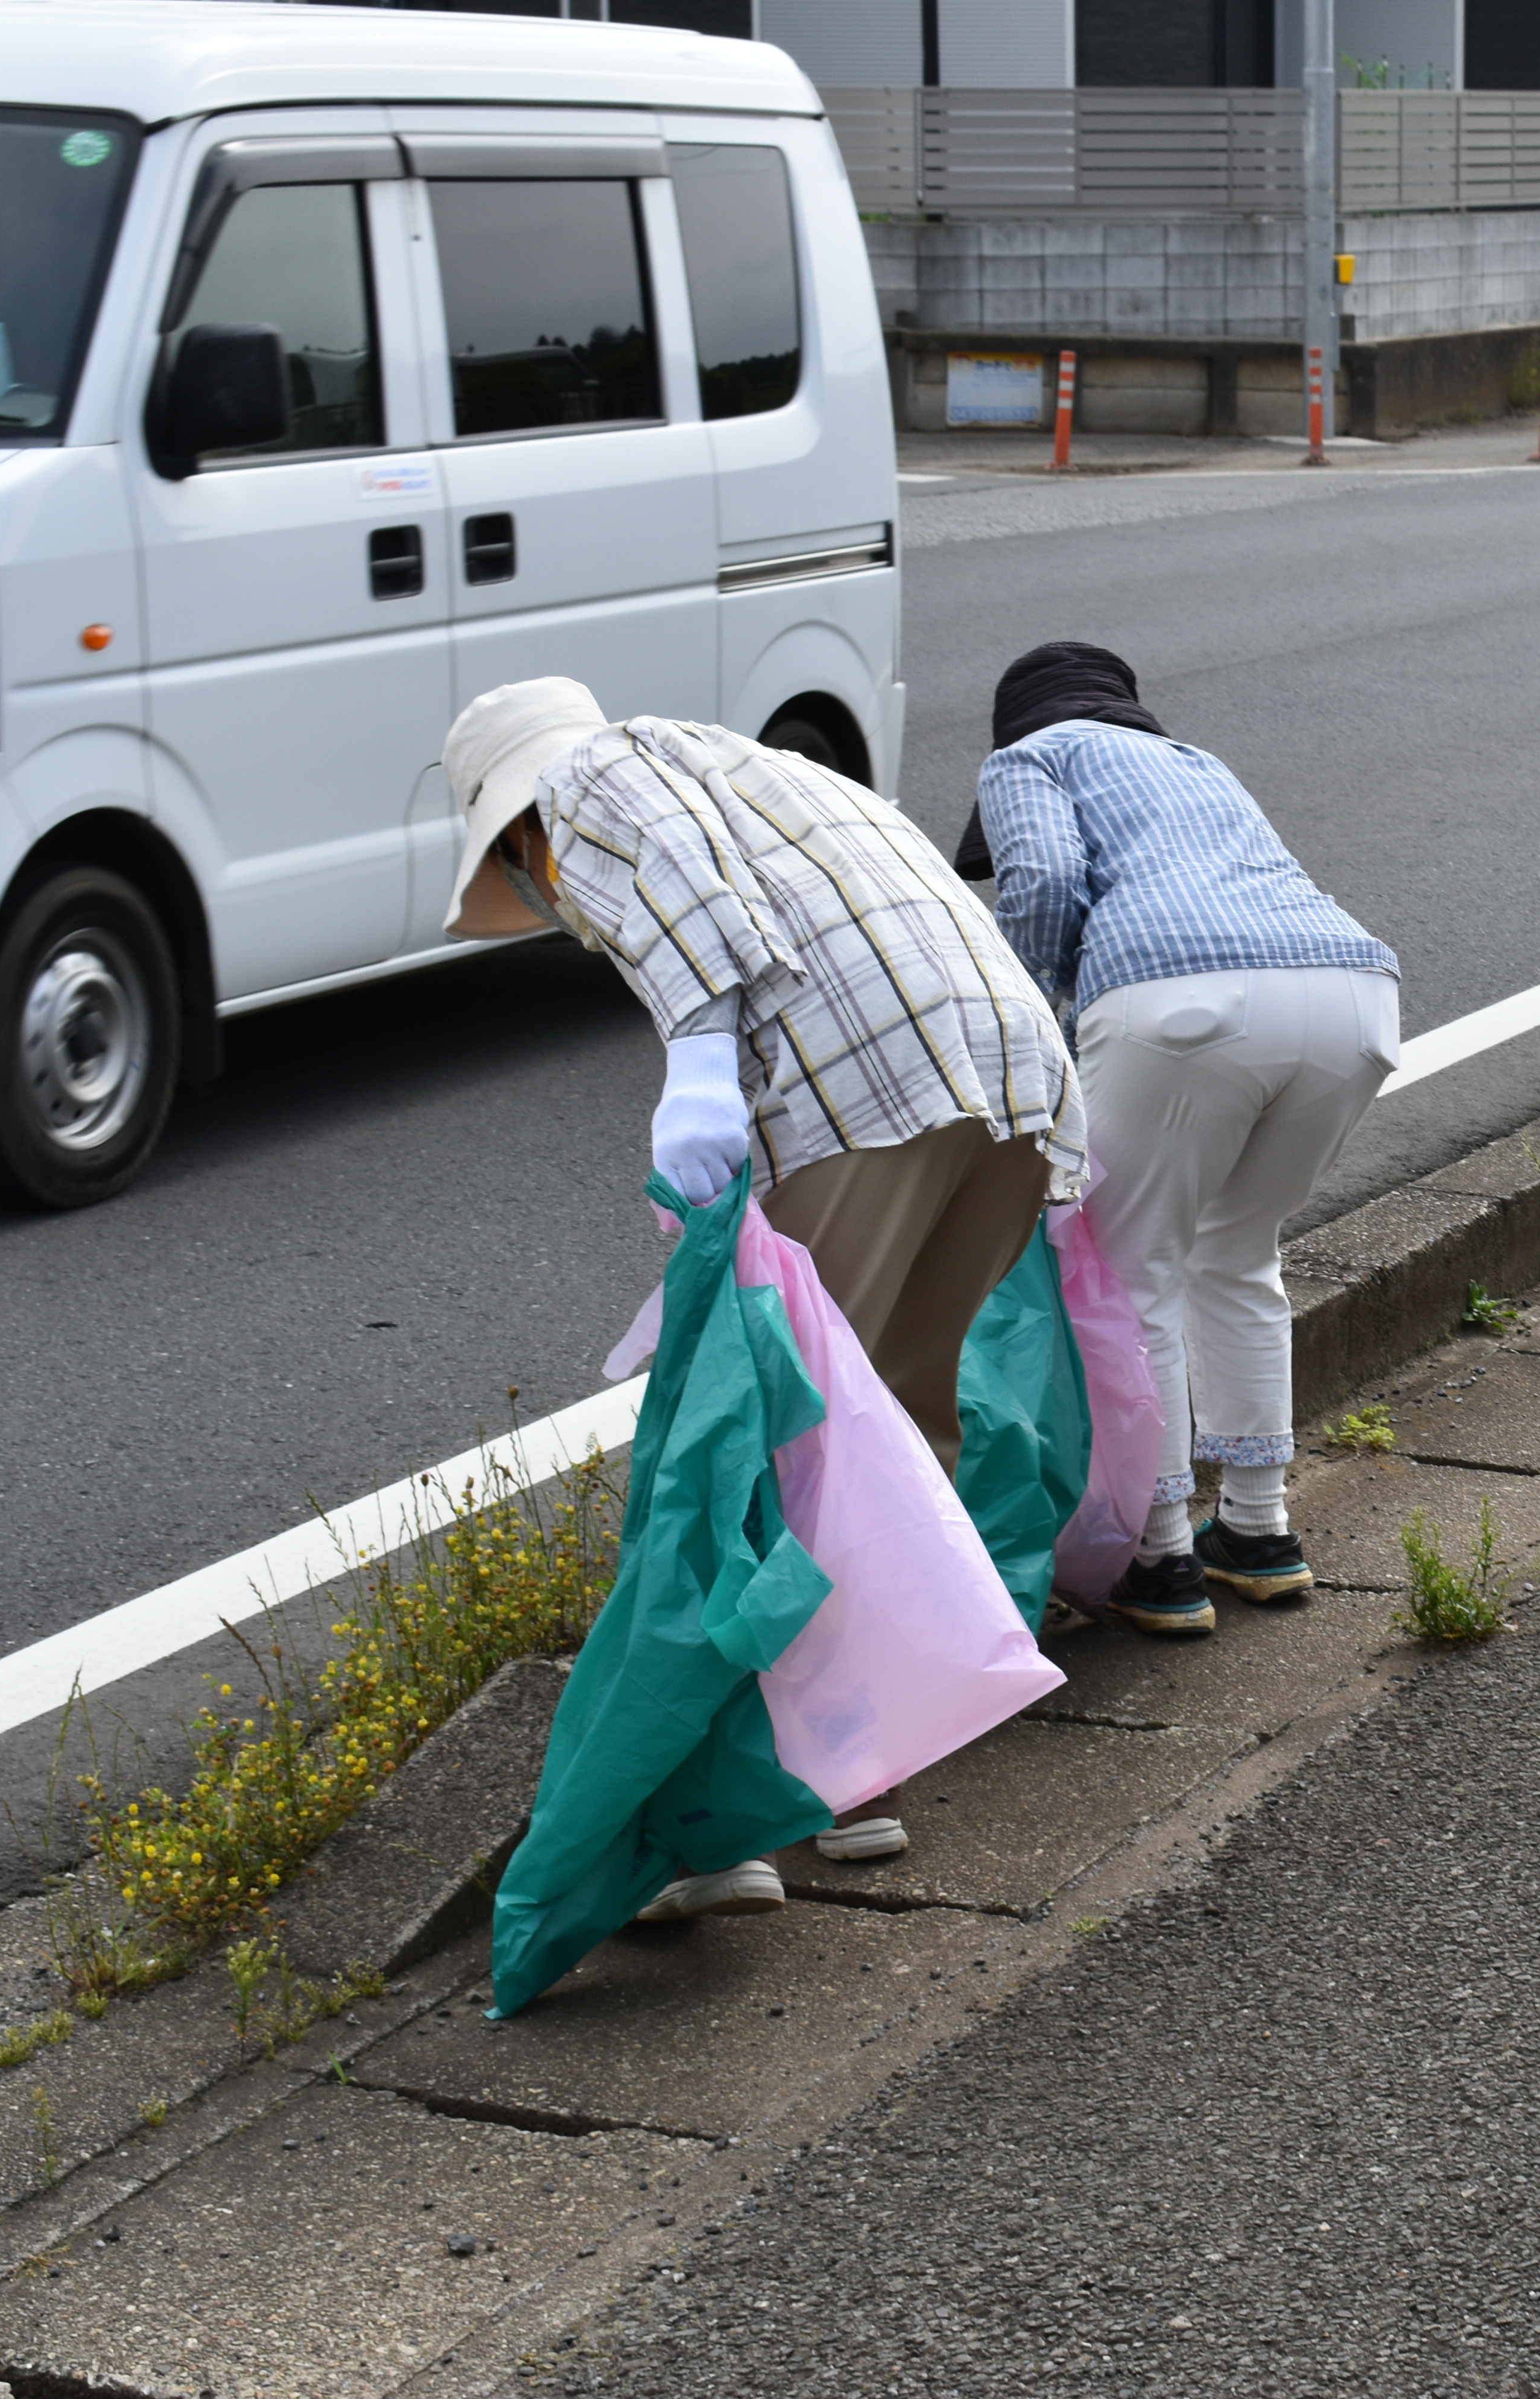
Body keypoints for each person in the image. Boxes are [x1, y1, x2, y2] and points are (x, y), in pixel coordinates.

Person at [441, 680, 1085, 1904]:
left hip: (865, 1091)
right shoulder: (772, 773)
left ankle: (715, 1826)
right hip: (1009, 1084)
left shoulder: (597, 772)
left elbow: (684, 884)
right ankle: (856, 1777)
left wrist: (696, 1068)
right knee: (891, 1436)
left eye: (522, 873)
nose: (543, 897)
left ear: (519, 824)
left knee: (758, 1447)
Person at [973, 642, 1401, 1639]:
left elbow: (1038, 880)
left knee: (1134, 1275)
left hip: (1183, 1007)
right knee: (1239, 1254)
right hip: (1353, 999)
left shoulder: (1028, 758)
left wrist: (1033, 1024)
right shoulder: (1197, 762)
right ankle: (1258, 1531)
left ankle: (1160, 1552)